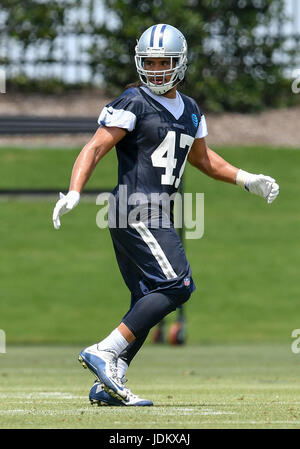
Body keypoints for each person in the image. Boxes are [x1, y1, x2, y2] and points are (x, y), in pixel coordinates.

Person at [52, 24, 279, 407]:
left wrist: (246, 178)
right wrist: (75, 190)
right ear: (140, 63)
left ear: (180, 63)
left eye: (164, 62)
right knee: (178, 285)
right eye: (150, 62)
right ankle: (105, 352)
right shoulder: (134, 101)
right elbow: (94, 148)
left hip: (153, 211)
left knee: (148, 295)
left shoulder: (190, 110)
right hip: (136, 206)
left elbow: (204, 159)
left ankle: (112, 379)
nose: (156, 70)